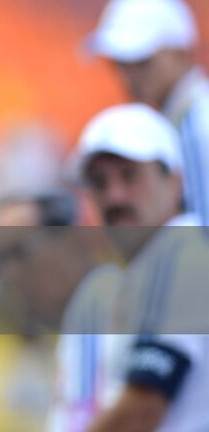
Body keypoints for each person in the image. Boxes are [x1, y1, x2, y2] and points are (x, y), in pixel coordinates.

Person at [73, 103, 209, 431]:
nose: (114, 196)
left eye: (130, 175)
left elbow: (142, 409)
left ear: (175, 182)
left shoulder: (179, 254)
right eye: (99, 182)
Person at [0, 191, 121, 432]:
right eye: (1, 262)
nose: (10, 275)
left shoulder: (111, 310)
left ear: (71, 238)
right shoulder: (73, 328)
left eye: (20, 252)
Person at [87, 0, 209, 218]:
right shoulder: (183, 120)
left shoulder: (197, 126)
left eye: (143, 62)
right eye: (120, 64)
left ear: (181, 53)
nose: (129, 77)